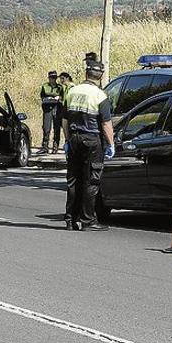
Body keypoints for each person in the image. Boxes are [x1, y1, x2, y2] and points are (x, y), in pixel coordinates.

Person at [61, 55, 115, 232]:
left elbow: (64, 120)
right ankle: (88, 220)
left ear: (86, 73)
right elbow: (106, 123)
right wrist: (110, 143)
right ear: (100, 76)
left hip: (74, 139)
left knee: (73, 180)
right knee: (91, 180)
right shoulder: (100, 95)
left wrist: (67, 140)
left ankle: (70, 220)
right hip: (92, 140)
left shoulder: (72, 91)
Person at [37, 71, 63, 155]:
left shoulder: (60, 87)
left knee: (57, 128)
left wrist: (53, 97)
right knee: (46, 128)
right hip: (47, 109)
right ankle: (45, 147)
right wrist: (53, 97)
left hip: (57, 108)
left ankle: (55, 147)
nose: (53, 79)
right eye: (52, 77)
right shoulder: (45, 86)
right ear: (49, 78)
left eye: (55, 78)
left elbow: (61, 97)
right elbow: (43, 96)